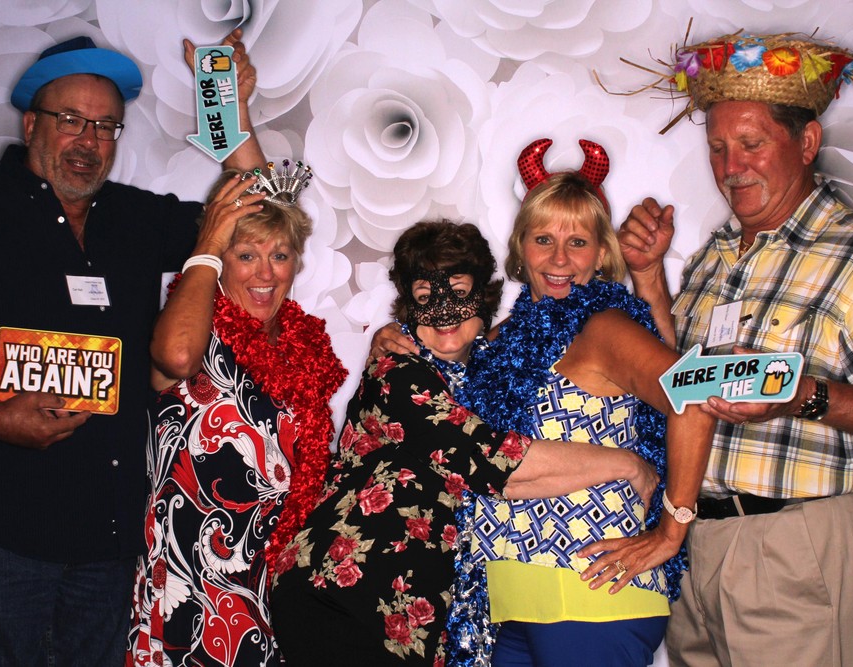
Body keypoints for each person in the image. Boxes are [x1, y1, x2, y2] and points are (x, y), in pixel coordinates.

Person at [0, 31, 260, 665]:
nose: (89, 141)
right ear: (31, 123)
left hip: (106, 546)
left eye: (106, 127)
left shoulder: (134, 219)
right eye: (71, 120)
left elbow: (254, 222)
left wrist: (230, 110)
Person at [270, 219, 662, 666]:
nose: (444, 310)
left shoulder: (481, 376)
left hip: (407, 614)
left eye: (458, 292)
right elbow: (494, 464)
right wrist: (625, 464)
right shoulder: (398, 372)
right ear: (409, 307)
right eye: (425, 297)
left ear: (484, 298)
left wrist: (649, 278)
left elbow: (661, 370)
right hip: (343, 595)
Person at [617, 32, 853, 666]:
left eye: (752, 144)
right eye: (718, 147)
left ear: (807, 142)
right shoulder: (714, 256)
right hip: (694, 544)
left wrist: (802, 397)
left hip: (793, 547)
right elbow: (679, 381)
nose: (731, 166)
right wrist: (649, 277)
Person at [126, 162, 347, 666]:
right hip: (185, 599)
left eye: (280, 255)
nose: (265, 273)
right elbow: (175, 357)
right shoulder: (192, 333)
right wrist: (206, 243)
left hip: (271, 596)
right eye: (246, 255)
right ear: (216, 260)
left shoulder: (301, 350)